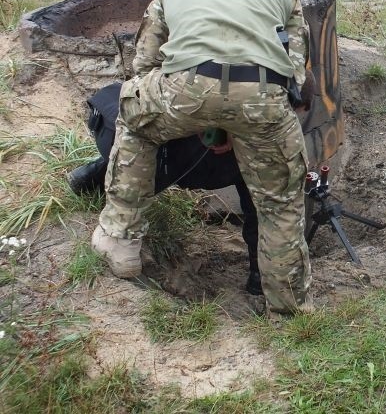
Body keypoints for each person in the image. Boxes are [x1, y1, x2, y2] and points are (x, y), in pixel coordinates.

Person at [91, 0, 314, 313]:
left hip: (185, 88)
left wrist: (194, 109)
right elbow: (295, 74)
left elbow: (144, 61)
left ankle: (121, 240)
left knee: (132, 112)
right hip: (261, 96)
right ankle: (289, 304)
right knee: (280, 202)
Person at [69, 82, 264, 296]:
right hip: (188, 159)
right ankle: (261, 277)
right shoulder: (272, 112)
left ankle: (102, 196)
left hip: (150, 149)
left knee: (139, 117)